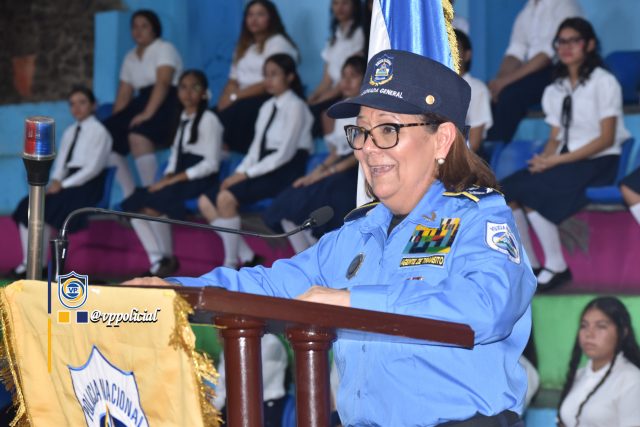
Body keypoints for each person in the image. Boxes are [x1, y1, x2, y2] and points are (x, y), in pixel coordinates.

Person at [127, 49, 536, 426]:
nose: (368, 149)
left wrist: (352, 302)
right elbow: (269, 285)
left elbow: (485, 308)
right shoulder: (358, 233)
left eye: (388, 130)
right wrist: (174, 290)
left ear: (442, 139)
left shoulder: (480, 219)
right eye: (361, 132)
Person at [501, 17, 630, 291]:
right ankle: (532, 264)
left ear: (590, 45)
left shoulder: (604, 82)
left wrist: (556, 161)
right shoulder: (555, 88)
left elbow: (606, 138)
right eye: (561, 41)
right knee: (508, 188)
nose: (566, 47)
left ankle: (557, 265)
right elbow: (555, 136)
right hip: (565, 161)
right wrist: (544, 160)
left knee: (535, 190)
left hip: (599, 161)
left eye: (574, 41)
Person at [198, 53, 312, 270]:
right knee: (206, 200)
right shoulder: (267, 107)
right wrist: (238, 173)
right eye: (265, 75)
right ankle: (247, 256)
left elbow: (284, 154)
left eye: (274, 74)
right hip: (262, 166)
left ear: (289, 77)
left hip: (285, 169)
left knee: (225, 198)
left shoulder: (296, 106)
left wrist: (245, 175)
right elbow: (254, 150)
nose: (268, 80)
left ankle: (231, 263)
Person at [121, 70, 223, 276]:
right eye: (183, 87)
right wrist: (167, 177)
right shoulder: (182, 118)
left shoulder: (210, 119)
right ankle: (158, 262)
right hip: (178, 178)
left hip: (198, 179)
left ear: (204, 92)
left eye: (194, 87)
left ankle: (165, 260)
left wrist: (173, 180)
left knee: (150, 206)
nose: (188, 93)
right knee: (134, 204)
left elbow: (211, 164)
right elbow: (175, 155)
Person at [263, 55, 366, 253]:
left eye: (353, 76)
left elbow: (357, 154)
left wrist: (328, 172)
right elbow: (337, 152)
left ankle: (320, 255)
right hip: (337, 169)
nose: (346, 82)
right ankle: (304, 257)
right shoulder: (342, 108)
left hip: (356, 172)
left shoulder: (367, 110)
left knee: (325, 197)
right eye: (343, 76)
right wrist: (314, 174)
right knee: (290, 199)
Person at [10, 86, 112, 278]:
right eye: (72, 104)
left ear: (93, 105)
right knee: (28, 205)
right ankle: (31, 263)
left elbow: (93, 169)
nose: (77, 108)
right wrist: (56, 180)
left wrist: (62, 185)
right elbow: (61, 163)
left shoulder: (101, 132)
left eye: (82, 102)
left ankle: (40, 265)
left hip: (86, 187)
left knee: (48, 208)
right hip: (65, 183)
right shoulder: (70, 132)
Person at [104, 9, 183, 199]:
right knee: (104, 136)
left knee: (139, 134)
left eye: (144, 26)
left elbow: (163, 83)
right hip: (141, 101)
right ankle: (130, 194)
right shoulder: (130, 56)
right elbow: (124, 94)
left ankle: (153, 194)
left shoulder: (164, 48)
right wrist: (116, 123)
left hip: (167, 102)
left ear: (154, 29)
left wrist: (147, 114)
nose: (138, 31)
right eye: (134, 27)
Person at [486, 0, 581, 143]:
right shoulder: (527, 10)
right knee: (487, 93)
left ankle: (493, 148)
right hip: (531, 71)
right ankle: (477, 147)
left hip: (558, 70)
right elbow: (515, 51)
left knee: (511, 96)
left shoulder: (565, 6)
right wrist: (498, 82)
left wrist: (505, 82)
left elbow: (547, 55)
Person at [216, 0, 298, 154]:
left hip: (265, 95)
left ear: (271, 18)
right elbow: (233, 80)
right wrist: (225, 99)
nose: (254, 19)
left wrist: (235, 97)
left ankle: (235, 156)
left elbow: (271, 81)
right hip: (240, 97)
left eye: (260, 15)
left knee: (239, 111)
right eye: (250, 15)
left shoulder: (278, 43)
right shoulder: (244, 46)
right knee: (211, 115)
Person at [557, 296, 640, 426]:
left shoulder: (631, 380)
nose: (589, 334)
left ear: (623, 332)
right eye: (584, 326)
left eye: (601, 326)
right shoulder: (580, 375)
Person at [307, 0, 364, 137]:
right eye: (336, 3)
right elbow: (326, 80)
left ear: (354, 6)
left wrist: (319, 101)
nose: (340, 8)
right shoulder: (334, 38)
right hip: (335, 90)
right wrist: (313, 97)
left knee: (318, 113)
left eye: (345, 3)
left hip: (346, 90)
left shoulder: (359, 34)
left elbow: (348, 77)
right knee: (305, 107)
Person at [213, 334, 288, 427]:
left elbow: (254, 385)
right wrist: (211, 412)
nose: (218, 335)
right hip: (235, 405)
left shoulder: (271, 343)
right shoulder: (229, 346)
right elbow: (221, 388)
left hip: (267, 406)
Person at [454, 29, 492, 153]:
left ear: (467, 55)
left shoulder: (477, 89)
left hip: (466, 157)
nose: (449, 54)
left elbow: (474, 143)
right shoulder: (432, 87)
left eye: (454, 49)